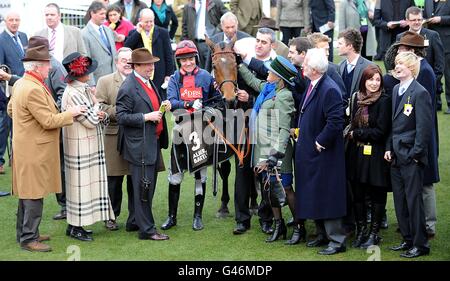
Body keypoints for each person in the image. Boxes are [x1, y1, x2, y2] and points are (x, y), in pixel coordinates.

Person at [8, 42, 86, 252]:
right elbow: (49, 121)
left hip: (27, 147)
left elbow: (11, 111)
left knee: (28, 193)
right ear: (36, 67)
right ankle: (28, 238)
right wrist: (72, 113)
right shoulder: (32, 88)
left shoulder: (22, 84)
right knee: (33, 195)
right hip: (34, 150)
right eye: (46, 64)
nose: (50, 67)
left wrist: (25, 127)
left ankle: (25, 233)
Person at [161, 40, 221, 231]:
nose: (187, 63)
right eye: (183, 60)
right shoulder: (174, 79)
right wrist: (187, 105)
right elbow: (171, 101)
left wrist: (208, 110)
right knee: (175, 175)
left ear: (195, 58)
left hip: (201, 133)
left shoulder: (205, 77)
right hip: (179, 131)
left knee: (199, 175)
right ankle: (172, 217)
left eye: (190, 59)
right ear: (178, 61)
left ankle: (198, 217)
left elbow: (217, 101)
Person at [384, 31, 439, 239]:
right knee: (404, 196)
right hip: (400, 151)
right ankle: (409, 236)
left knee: (420, 191)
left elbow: (422, 120)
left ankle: (423, 234)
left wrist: (415, 153)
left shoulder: (423, 76)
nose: (398, 52)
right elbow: (394, 122)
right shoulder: (398, 87)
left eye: (402, 49)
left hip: (413, 150)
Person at [238, 55, 296, 243]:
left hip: (276, 152)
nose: (268, 72)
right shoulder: (268, 89)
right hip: (263, 150)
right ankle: (279, 226)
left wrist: (274, 157)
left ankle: (298, 226)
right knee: (269, 189)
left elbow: (284, 130)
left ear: (279, 77)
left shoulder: (284, 96)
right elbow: (253, 81)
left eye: (271, 71)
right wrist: (238, 63)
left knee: (285, 188)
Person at [295, 48, 347, 255]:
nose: (303, 65)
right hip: (311, 153)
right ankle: (322, 235)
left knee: (328, 195)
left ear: (315, 69)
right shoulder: (313, 84)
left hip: (324, 154)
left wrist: (320, 142)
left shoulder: (329, 89)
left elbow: (336, 122)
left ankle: (337, 240)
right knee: (314, 193)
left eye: (306, 63)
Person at [116, 48, 171, 240]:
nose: (151, 67)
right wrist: (145, 117)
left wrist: (163, 107)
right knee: (144, 188)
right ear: (136, 66)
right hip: (139, 146)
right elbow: (121, 116)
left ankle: (134, 221)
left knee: (144, 186)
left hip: (151, 142)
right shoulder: (128, 87)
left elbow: (151, 104)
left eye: (152, 63)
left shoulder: (147, 82)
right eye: (147, 64)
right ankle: (147, 230)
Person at [61, 52, 115, 241]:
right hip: (79, 145)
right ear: (79, 74)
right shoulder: (74, 92)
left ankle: (74, 225)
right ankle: (75, 227)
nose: (90, 74)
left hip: (87, 143)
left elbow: (100, 114)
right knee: (79, 186)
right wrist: (98, 109)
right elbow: (91, 120)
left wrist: (98, 110)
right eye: (87, 71)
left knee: (85, 184)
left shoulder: (82, 89)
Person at [345, 64, 392, 249]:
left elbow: (380, 131)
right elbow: (351, 123)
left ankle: (374, 233)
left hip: (376, 155)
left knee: (377, 193)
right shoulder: (357, 98)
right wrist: (354, 133)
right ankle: (361, 230)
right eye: (370, 79)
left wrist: (357, 134)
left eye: (377, 80)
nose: (374, 83)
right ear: (364, 80)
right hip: (356, 154)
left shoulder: (384, 100)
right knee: (358, 194)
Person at [96, 47, 134, 231]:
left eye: (130, 60)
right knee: (114, 181)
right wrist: (121, 113)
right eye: (123, 60)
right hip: (113, 135)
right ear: (117, 62)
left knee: (135, 179)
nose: (127, 63)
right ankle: (111, 216)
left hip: (135, 135)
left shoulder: (142, 80)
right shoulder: (105, 81)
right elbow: (100, 106)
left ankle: (135, 216)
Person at [0, 11, 28, 176]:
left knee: (21, 124)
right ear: (5, 21)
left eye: (17, 19)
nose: (14, 22)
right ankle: (0, 160)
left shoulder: (24, 37)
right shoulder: (1, 39)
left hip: (26, 86)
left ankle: (17, 156)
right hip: (9, 88)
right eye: (11, 20)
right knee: (5, 125)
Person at [124, 8, 174, 99]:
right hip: (141, 72)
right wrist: (138, 32)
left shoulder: (163, 32)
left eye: (151, 21)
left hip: (159, 71)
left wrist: (168, 74)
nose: (149, 24)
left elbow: (169, 55)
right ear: (140, 21)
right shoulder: (134, 33)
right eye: (146, 22)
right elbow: (126, 47)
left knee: (159, 98)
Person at [181, 0, 228, 68]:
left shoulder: (215, 3)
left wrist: (218, 30)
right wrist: (185, 43)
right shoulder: (188, 6)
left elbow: (228, 16)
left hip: (212, 44)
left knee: (214, 69)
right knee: (199, 71)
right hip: (195, 44)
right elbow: (184, 26)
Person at [423, 0, 450, 113]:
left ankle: (449, 103)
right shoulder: (427, 1)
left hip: (447, 42)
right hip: (430, 43)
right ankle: (436, 102)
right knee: (434, 72)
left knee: (448, 75)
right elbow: (424, 15)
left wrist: (441, 19)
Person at [82, 1, 117, 85]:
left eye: (105, 14)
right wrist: (91, 84)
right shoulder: (84, 34)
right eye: (101, 14)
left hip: (114, 78)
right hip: (98, 81)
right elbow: (86, 61)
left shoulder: (108, 30)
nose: (104, 16)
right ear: (92, 14)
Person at [337, 28, 374, 107]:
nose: (337, 46)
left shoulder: (369, 67)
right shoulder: (340, 66)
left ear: (350, 46)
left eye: (340, 44)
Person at [373, 0, 415, 64]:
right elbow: (375, 20)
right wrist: (386, 24)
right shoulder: (380, 1)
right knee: (389, 70)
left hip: (405, 39)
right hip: (387, 40)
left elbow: (415, 15)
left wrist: (408, 22)